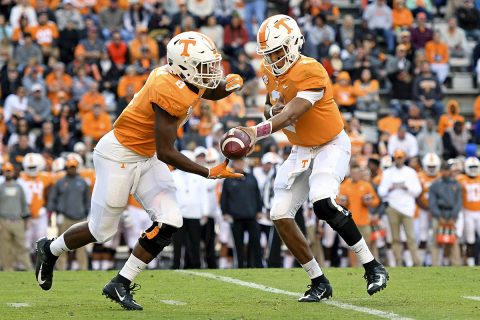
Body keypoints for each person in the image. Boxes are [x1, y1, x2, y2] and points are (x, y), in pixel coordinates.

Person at [34, 31, 244, 311]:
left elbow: (208, 88)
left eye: (211, 66)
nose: (212, 72)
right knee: (101, 231)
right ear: (183, 67)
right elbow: (167, 152)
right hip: (119, 155)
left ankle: (121, 282)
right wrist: (208, 172)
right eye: (205, 67)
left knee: (170, 220)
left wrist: (227, 87)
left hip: (146, 156)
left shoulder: (186, 77)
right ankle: (50, 249)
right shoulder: (168, 89)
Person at [234, 15, 388, 302]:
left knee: (323, 202)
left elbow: (292, 113)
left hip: (330, 143)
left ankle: (372, 265)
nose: (274, 58)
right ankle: (319, 281)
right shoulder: (268, 71)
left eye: (278, 51)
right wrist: (270, 113)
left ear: (294, 43)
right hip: (301, 149)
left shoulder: (311, 69)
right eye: (269, 54)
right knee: (279, 215)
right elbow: (275, 108)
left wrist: (254, 132)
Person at [378, 150, 422, 266]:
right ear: (394, 158)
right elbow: (381, 191)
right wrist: (390, 188)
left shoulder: (411, 172)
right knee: (395, 238)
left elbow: (418, 190)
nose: (399, 160)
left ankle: (416, 262)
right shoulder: (387, 173)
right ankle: (398, 262)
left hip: (407, 208)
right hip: (392, 207)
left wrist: (406, 187)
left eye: (401, 157)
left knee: (411, 237)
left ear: (404, 158)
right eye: (397, 158)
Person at [47, 157, 89, 270]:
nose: (72, 170)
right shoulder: (60, 182)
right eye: (70, 167)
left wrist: (88, 214)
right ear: (66, 168)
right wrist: (52, 214)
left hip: (80, 218)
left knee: (82, 246)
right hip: (64, 217)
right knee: (61, 244)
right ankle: (61, 268)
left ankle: (83, 268)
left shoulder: (82, 182)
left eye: (74, 167)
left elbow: (87, 200)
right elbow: (52, 199)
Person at [221, 158, 263, 268]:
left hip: (251, 216)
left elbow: (257, 195)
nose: (240, 164)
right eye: (237, 162)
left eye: (241, 162)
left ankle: (256, 265)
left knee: (255, 241)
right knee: (237, 244)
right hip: (236, 217)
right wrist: (225, 212)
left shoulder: (251, 177)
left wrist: (259, 210)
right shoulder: (228, 179)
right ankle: (239, 266)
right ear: (233, 164)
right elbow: (224, 198)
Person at [428, 160, 463, 266]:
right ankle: (435, 265)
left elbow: (458, 202)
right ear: (441, 171)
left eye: (447, 170)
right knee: (436, 241)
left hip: (451, 214)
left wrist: (454, 216)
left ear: (450, 171)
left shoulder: (456, 184)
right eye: (444, 170)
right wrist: (439, 216)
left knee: (453, 241)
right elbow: (432, 203)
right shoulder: (435, 185)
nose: (445, 172)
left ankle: (456, 265)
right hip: (439, 214)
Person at [0, 162, 31, 271]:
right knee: (5, 248)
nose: (8, 173)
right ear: (3, 172)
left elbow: (24, 204)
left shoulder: (19, 187)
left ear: (13, 172)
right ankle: (8, 270)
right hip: (4, 221)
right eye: (6, 171)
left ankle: (29, 269)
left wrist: (27, 220)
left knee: (22, 246)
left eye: (9, 171)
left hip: (18, 220)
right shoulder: (1, 187)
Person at [457, 157, 480, 266]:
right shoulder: (461, 179)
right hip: (467, 212)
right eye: (471, 167)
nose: (474, 169)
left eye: (475, 167)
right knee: (469, 239)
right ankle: (471, 263)